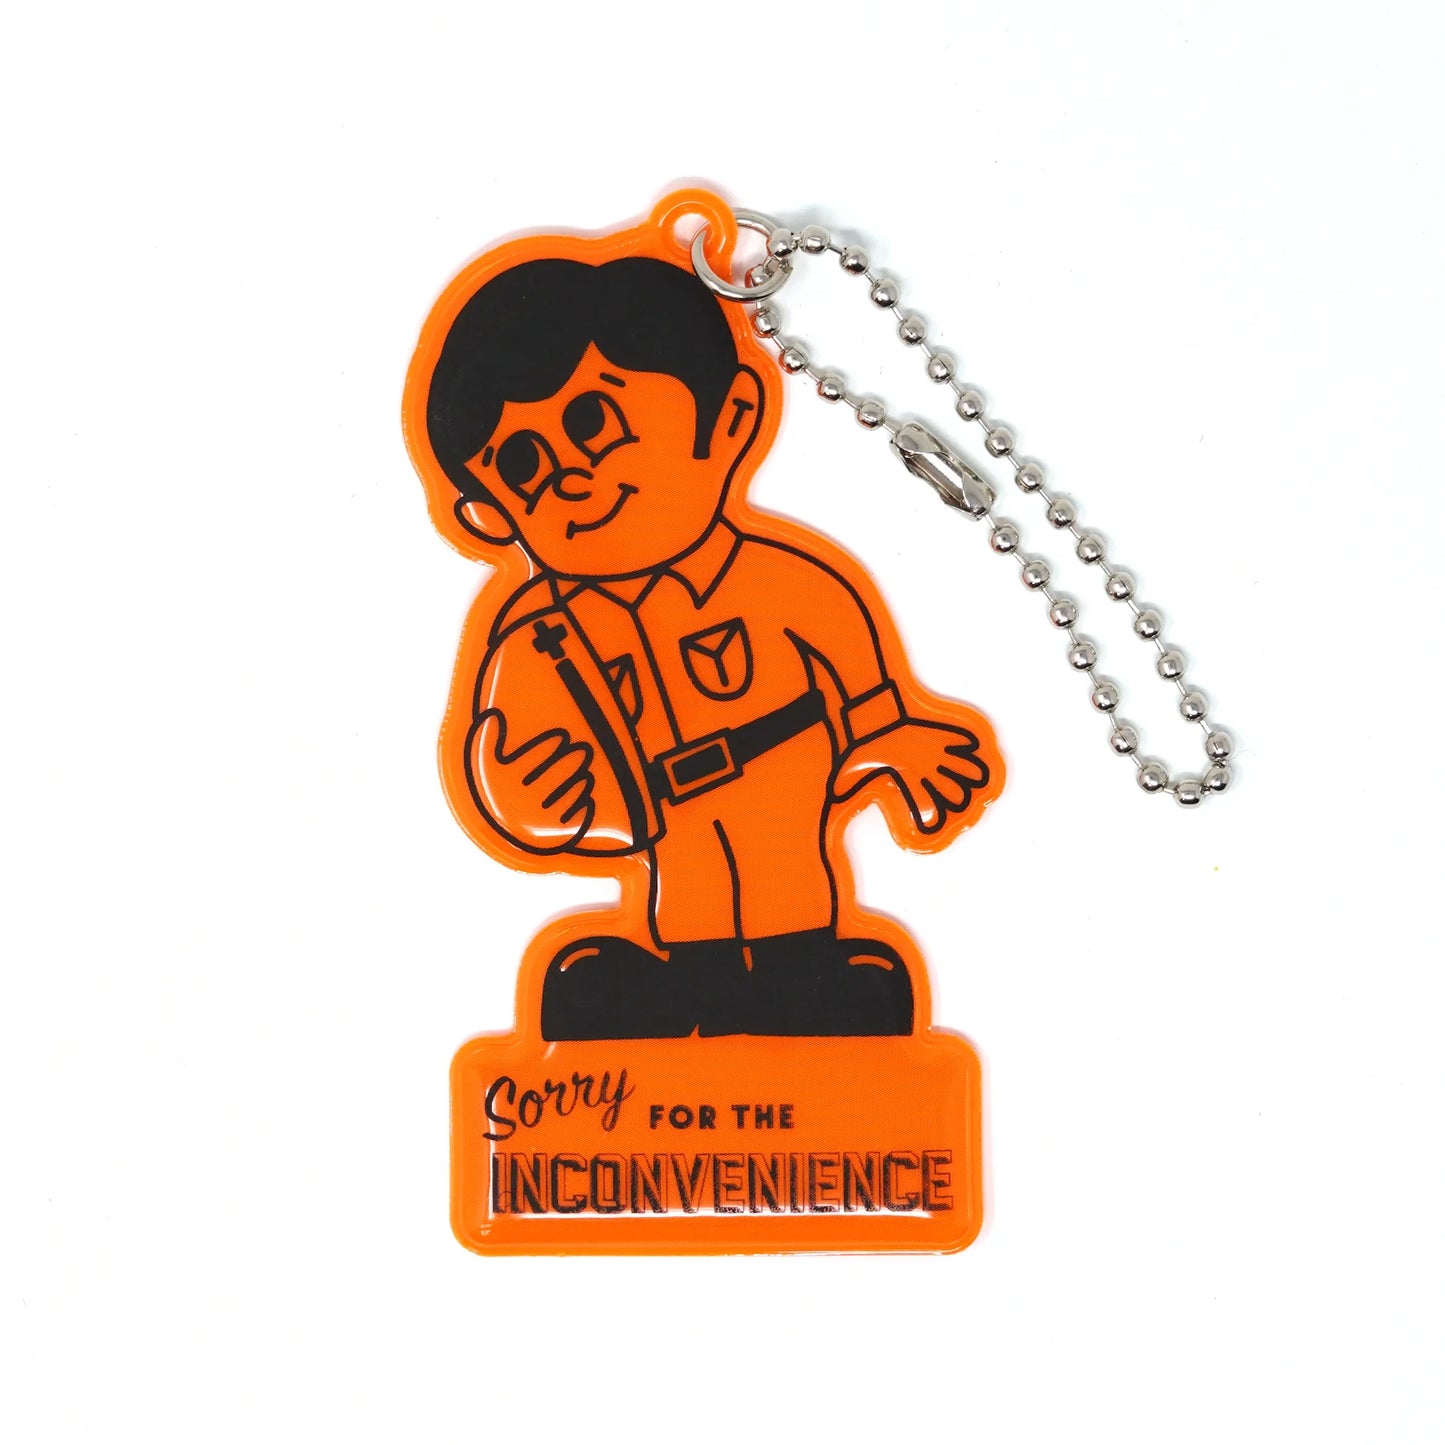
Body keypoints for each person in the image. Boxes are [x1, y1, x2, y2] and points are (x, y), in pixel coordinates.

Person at [421, 251, 994, 1040]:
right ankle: (681, 988)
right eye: (523, 465)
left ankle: (807, 980)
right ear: (491, 516)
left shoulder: (793, 584)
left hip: (787, 826)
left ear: (730, 420)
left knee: (794, 923)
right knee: (673, 940)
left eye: (593, 423)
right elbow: (507, 769)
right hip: (667, 856)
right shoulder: (541, 639)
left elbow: (868, 704)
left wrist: (899, 747)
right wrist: (527, 799)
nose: (571, 480)